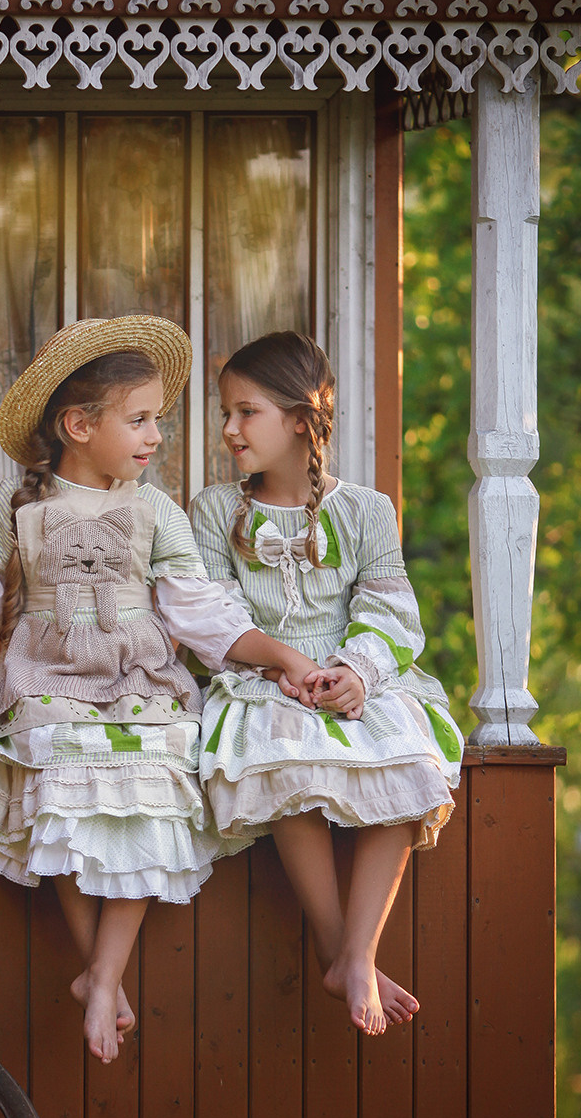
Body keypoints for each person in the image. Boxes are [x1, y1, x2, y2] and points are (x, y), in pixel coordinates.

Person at [0, 316, 326, 1065]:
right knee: (61, 790)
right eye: (139, 420)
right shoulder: (20, 507)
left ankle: (104, 975)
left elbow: (201, 614)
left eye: (156, 420)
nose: (155, 437)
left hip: (138, 679)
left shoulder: (155, 511)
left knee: (153, 779)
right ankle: (101, 975)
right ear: (79, 426)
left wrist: (285, 659)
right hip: (47, 678)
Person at [189, 331, 464, 1038]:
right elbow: (214, 614)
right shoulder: (215, 509)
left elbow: (389, 610)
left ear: (299, 420)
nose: (229, 429)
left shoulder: (367, 511)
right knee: (283, 757)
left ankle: (357, 951)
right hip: (261, 677)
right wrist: (278, 665)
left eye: (246, 412)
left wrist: (356, 672)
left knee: (410, 759)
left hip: (350, 676)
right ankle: (338, 948)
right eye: (226, 413)